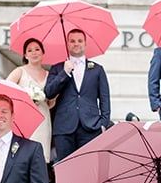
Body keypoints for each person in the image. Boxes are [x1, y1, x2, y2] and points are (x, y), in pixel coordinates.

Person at [44, 28, 111, 161]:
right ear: (68, 44)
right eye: (72, 41)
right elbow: (48, 92)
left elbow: (105, 99)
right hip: (64, 128)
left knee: (89, 167)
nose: (76, 44)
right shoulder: (58, 68)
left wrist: (103, 123)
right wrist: (65, 73)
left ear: (85, 44)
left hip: (91, 127)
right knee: (65, 168)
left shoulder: (97, 69)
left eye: (80, 41)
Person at [6, 38, 55, 164]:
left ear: (43, 53)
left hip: (43, 118)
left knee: (40, 154)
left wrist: (53, 97)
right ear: (25, 55)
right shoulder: (19, 71)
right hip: (24, 117)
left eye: (37, 49)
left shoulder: (50, 75)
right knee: (22, 152)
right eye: (30, 50)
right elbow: (6, 90)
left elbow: (50, 103)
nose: (34, 53)